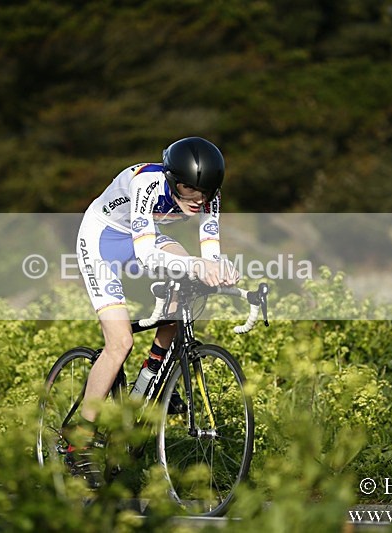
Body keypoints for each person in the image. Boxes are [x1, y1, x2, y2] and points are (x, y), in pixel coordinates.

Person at [69, 137, 240, 487]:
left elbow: (210, 251)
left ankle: (154, 372)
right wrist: (195, 265)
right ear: (171, 178)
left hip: (147, 236)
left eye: (205, 192)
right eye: (188, 189)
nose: (198, 199)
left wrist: (221, 271)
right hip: (103, 238)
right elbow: (146, 256)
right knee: (119, 344)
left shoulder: (210, 196)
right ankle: (78, 439)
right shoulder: (148, 182)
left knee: (191, 285)